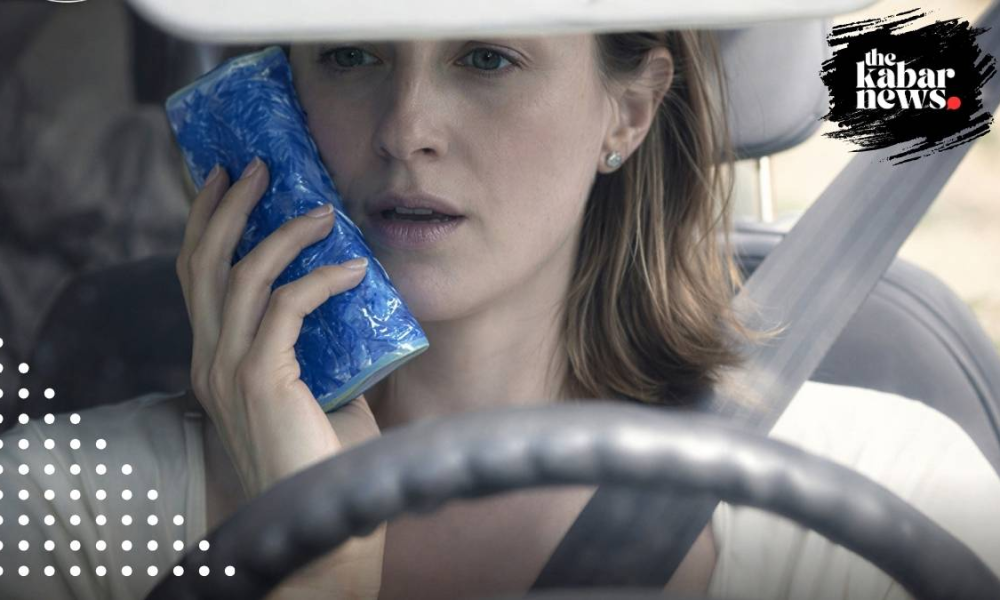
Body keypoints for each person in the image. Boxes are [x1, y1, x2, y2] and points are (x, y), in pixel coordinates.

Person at [1, 31, 999, 600]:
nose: (406, 130)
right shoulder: (64, 509)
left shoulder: (892, 490)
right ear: (279, 89)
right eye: (350, 55)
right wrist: (317, 570)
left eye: (485, 58)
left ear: (628, 111)